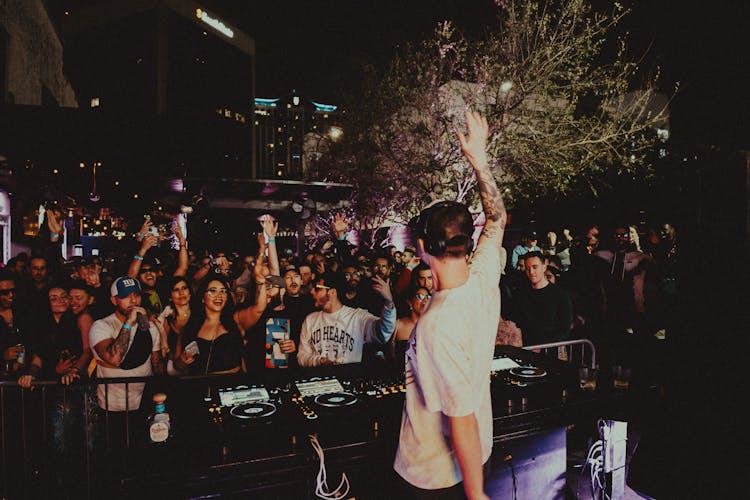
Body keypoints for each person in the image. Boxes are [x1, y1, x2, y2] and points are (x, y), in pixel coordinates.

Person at [394, 111, 506, 499]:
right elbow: (498, 217)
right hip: (478, 456)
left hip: (436, 474)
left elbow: (460, 420)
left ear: (423, 248)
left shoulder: (437, 325)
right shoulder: (483, 275)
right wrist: (479, 160)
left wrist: (475, 497)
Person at [88, 276, 163, 412]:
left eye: (136, 295)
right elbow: (114, 358)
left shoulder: (149, 328)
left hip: (144, 404)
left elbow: (157, 366)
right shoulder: (102, 326)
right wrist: (128, 323)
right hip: (111, 407)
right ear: (114, 300)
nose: (133, 301)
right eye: (126, 296)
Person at [297, 271, 395, 367]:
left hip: (349, 377)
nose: (312, 292)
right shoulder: (310, 320)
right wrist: (320, 361)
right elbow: (302, 357)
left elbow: (383, 333)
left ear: (332, 292)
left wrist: (388, 302)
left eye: (317, 289)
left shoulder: (357, 317)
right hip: (319, 380)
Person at [510, 251, 572, 347]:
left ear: (544, 267)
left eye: (535, 267)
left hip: (550, 350)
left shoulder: (560, 295)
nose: (531, 272)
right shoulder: (520, 294)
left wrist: (542, 346)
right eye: (527, 268)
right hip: (525, 348)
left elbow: (564, 329)